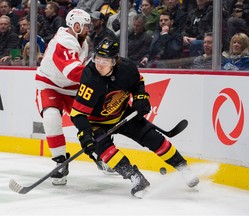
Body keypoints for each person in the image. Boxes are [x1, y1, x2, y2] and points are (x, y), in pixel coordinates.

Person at [70, 38, 200, 198]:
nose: (100, 64)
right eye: (98, 59)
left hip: (123, 113)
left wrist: (140, 97)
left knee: (152, 138)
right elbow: (78, 113)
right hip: (96, 122)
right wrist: (85, 134)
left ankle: (183, 168)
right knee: (104, 149)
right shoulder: (90, 78)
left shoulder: (127, 68)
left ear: (114, 61)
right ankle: (135, 177)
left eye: (105, 61)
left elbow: (138, 82)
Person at [35, 8, 91, 186]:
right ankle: (60, 162)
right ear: (76, 26)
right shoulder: (64, 41)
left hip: (72, 88)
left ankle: (101, 154)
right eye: (85, 26)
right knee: (51, 117)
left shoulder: (82, 41)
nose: (88, 29)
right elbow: (74, 72)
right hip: (49, 85)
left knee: (93, 120)